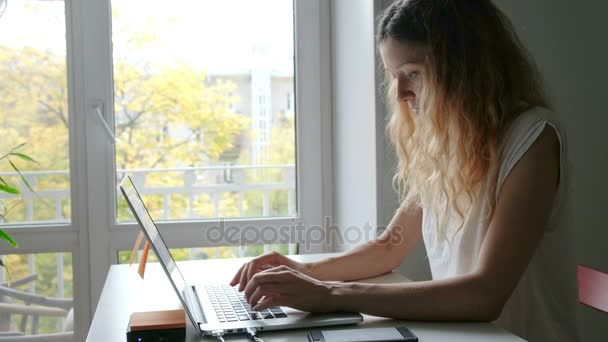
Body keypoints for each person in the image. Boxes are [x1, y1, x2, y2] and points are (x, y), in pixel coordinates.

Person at [230, 0, 579, 340]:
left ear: (466, 67)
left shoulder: (533, 139)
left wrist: (329, 293)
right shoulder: (447, 144)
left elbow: (485, 294)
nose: (400, 94)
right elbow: (389, 248)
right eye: (394, 75)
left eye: (413, 73)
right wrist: (299, 271)